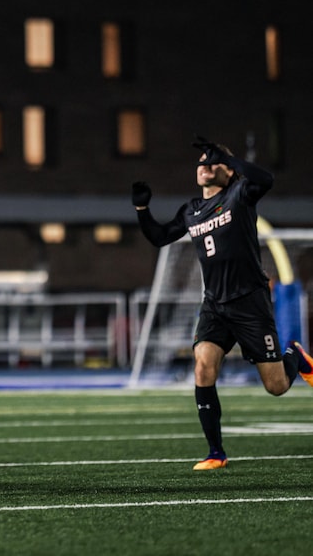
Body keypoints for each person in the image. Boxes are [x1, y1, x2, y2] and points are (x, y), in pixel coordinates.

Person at [131, 136, 313, 470]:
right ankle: (216, 452)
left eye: (212, 162)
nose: (204, 166)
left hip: (250, 302)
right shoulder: (191, 210)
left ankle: (295, 356)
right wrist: (142, 209)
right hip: (215, 304)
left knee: (276, 386)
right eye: (202, 161)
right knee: (202, 366)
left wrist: (230, 160)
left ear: (228, 172)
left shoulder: (239, 195)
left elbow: (266, 179)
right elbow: (159, 237)